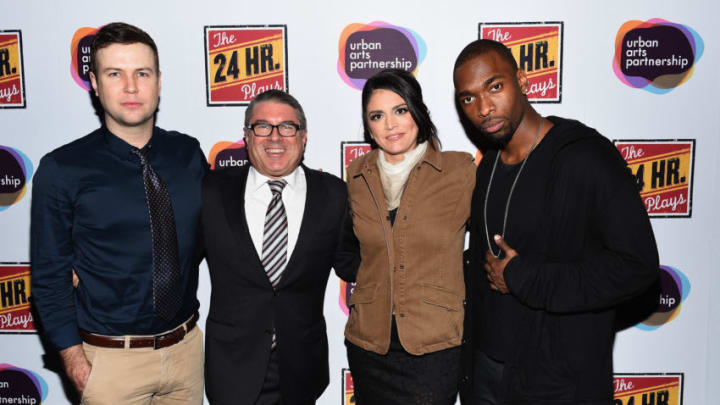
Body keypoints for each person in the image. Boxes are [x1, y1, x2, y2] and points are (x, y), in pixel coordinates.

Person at [453, 39, 659, 405]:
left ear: (523, 80)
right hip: (486, 375)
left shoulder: (584, 157)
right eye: (468, 98)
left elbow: (636, 267)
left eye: (495, 87)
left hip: (556, 382)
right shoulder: (486, 166)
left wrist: (525, 277)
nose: (483, 108)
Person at [31, 22, 207, 404]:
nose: (131, 87)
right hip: (109, 363)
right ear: (94, 83)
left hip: (187, 352)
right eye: (115, 74)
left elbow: (211, 237)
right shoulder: (62, 169)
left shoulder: (188, 154)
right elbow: (49, 277)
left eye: (142, 73)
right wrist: (75, 363)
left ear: (159, 81)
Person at [199, 89, 357, 405]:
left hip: (301, 368)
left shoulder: (333, 194)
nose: (275, 137)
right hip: (232, 366)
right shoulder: (211, 191)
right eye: (262, 127)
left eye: (287, 127)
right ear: (246, 136)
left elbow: (353, 263)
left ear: (303, 136)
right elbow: (176, 255)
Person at [343, 69, 476, 405]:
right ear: (368, 126)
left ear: (419, 112)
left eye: (400, 110)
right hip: (368, 345)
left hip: (434, 346)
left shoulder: (459, 171)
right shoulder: (356, 175)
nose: (391, 124)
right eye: (377, 115)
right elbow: (347, 251)